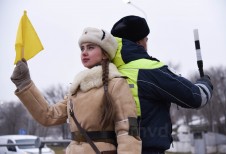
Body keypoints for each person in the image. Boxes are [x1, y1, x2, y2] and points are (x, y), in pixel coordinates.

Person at [11, 27, 141, 154]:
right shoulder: (76, 88)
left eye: (90, 47)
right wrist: (24, 83)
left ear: (105, 54)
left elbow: (128, 131)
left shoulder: (116, 84)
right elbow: (49, 116)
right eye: (82, 48)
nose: (84, 52)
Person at [110, 15, 213, 154]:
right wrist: (205, 82)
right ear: (140, 42)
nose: (147, 43)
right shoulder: (150, 70)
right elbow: (196, 97)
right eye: (146, 39)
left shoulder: (107, 71)